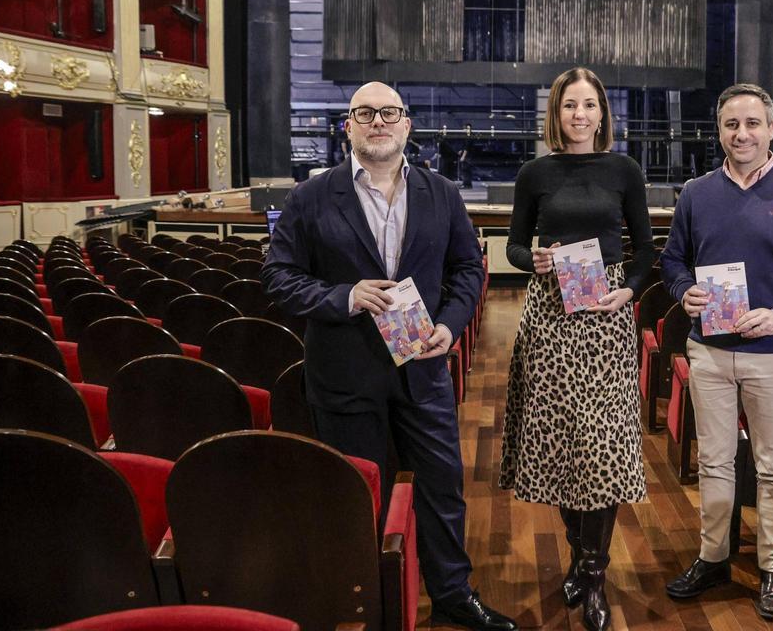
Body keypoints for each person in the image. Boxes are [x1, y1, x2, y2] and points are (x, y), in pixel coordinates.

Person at [262, 81, 516, 631]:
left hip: (422, 371)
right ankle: (366, 602)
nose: (377, 122)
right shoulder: (310, 196)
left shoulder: (442, 193)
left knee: (443, 489)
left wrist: (449, 326)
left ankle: (451, 593)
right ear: (348, 126)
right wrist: (343, 296)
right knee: (359, 496)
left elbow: (468, 270)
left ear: (406, 124)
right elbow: (278, 278)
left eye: (389, 113)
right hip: (344, 377)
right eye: (364, 113)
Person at [659, 83, 773, 620]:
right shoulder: (696, 193)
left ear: (770, 128)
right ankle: (713, 556)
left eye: (752, 124)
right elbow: (673, 262)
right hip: (709, 351)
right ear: (719, 130)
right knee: (714, 462)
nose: (741, 134)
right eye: (731, 125)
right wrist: (682, 290)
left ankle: (771, 567)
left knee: (770, 466)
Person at [499, 67, 655, 631]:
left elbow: (645, 248)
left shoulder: (624, 170)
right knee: (564, 442)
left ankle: (593, 573)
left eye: (589, 105)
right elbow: (516, 243)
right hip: (551, 315)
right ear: (556, 113)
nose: (579, 115)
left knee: (601, 442)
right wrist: (531, 259)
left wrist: (629, 292)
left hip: (606, 317)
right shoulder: (534, 172)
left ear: (602, 113)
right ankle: (578, 552)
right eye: (570, 106)